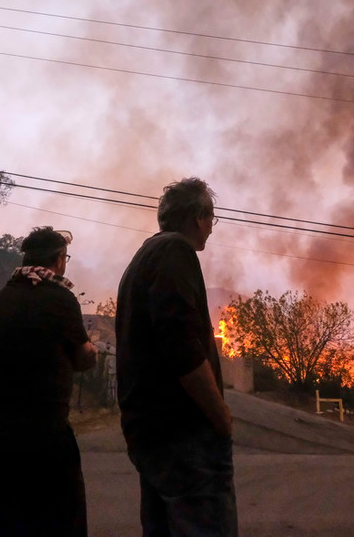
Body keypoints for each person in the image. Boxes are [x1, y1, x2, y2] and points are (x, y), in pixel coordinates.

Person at [0, 227, 96, 536]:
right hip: (43, 442)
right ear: (59, 260)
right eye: (65, 257)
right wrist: (90, 351)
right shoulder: (60, 299)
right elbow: (83, 357)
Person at [115, 177, 238, 537]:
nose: (211, 231)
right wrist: (220, 416)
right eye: (211, 220)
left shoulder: (143, 258)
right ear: (199, 217)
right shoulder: (174, 252)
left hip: (151, 433)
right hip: (183, 437)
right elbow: (181, 347)